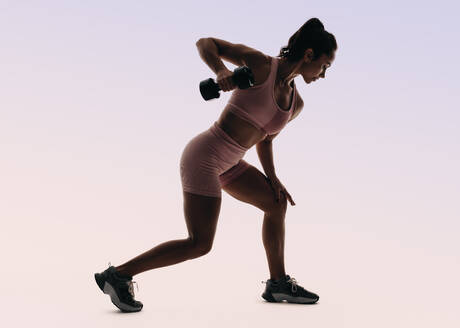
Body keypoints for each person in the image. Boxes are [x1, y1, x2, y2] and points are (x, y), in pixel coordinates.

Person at [94, 17, 337, 312]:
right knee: (199, 243)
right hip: (204, 156)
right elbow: (205, 43)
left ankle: (278, 284)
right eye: (325, 66)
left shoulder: (295, 103)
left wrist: (273, 178)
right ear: (309, 54)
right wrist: (221, 70)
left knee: (276, 203)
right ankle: (118, 275)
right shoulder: (261, 66)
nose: (324, 75)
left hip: (231, 163)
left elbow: (266, 140)